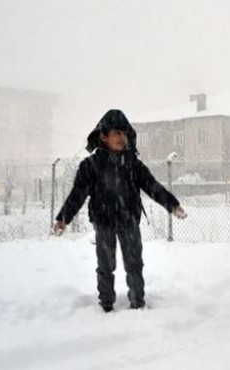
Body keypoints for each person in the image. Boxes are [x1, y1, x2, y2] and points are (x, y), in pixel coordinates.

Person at [53, 109, 186, 312]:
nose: (122, 138)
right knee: (106, 266)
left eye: (124, 134)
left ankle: (138, 303)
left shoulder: (133, 164)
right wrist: (63, 218)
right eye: (117, 133)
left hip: (129, 221)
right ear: (103, 136)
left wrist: (172, 204)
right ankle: (106, 305)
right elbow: (77, 194)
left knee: (134, 264)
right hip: (103, 221)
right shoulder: (91, 166)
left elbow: (152, 186)